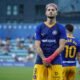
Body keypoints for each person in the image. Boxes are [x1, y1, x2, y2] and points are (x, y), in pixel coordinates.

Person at [32, 3, 66, 80]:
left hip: (56, 60)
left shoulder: (61, 28)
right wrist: (44, 59)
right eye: (49, 10)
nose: (50, 11)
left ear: (56, 12)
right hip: (40, 60)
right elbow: (37, 45)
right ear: (46, 12)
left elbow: (62, 47)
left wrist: (50, 59)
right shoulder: (39, 27)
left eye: (53, 10)